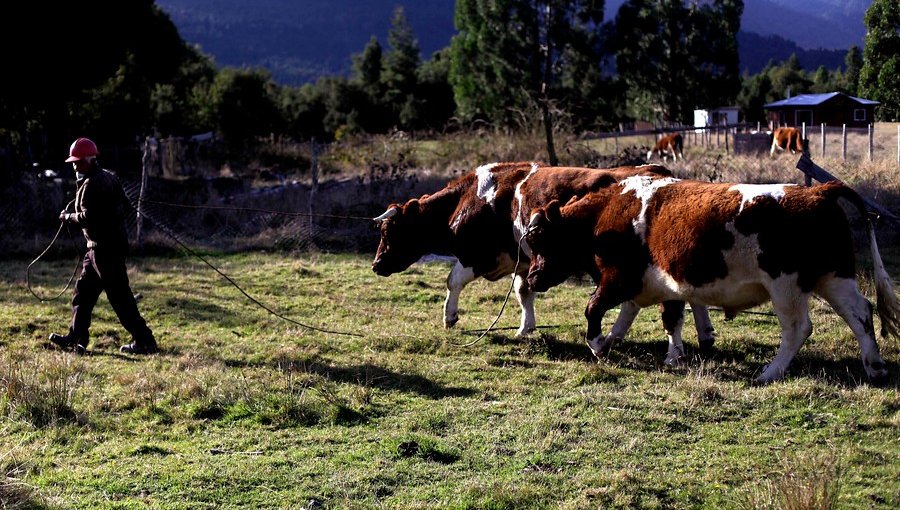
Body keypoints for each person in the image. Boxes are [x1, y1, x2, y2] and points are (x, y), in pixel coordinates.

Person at [49, 137, 158, 355]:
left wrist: (68, 216)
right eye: (74, 162)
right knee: (83, 294)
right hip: (99, 249)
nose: (75, 166)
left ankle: (145, 342)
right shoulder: (109, 177)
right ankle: (76, 338)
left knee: (120, 299)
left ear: (91, 159)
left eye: (78, 162)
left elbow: (89, 218)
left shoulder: (92, 184)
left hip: (105, 250)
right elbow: (124, 206)